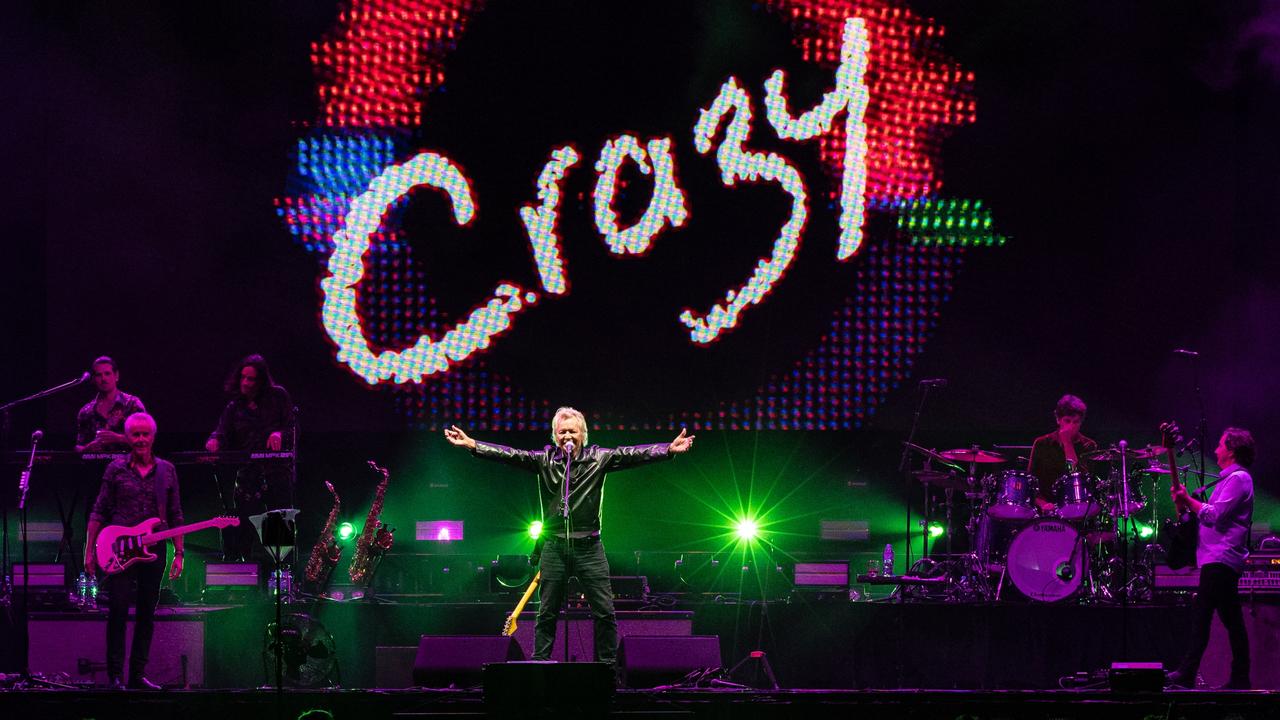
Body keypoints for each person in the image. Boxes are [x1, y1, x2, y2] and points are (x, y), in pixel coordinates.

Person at [444, 407, 694, 670]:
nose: (567, 436)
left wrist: (667, 449)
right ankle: (540, 665)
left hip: (590, 548)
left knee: (605, 612)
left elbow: (632, 454)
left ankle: (607, 668)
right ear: (555, 435)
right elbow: (511, 455)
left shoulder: (599, 458)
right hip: (554, 547)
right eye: (562, 432)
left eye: (572, 431)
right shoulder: (545, 460)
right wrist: (473, 445)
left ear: (582, 435)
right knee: (547, 612)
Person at [83, 413, 183, 690]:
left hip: (153, 549)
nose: (140, 439)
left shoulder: (167, 470)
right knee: (117, 609)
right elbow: (99, 509)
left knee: (146, 613)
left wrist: (179, 553)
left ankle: (137, 675)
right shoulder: (115, 469)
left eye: (145, 434)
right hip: (118, 547)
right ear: (128, 438)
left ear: (153, 436)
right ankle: (115, 675)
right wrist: (89, 550)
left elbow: (175, 514)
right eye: (135, 435)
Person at [1167, 427, 1255, 690]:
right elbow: (1206, 516)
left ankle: (1189, 671)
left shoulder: (1239, 479)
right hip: (1216, 559)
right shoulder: (1228, 480)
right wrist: (1185, 504)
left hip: (1222, 559)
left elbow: (1215, 515)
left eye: (1220, 445)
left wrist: (1188, 501)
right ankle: (1239, 677)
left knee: (1204, 616)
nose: (1216, 449)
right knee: (1229, 619)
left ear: (1231, 450)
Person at [205, 354, 295, 562]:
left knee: (277, 526)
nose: (245, 383)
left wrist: (279, 434)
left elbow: (292, 426)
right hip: (247, 477)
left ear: (261, 380)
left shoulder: (278, 397)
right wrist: (214, 442)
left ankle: (282, 580)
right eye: (243, 378)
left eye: (251, 379)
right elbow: (220, 432)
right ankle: (243, 578)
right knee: (243, 527)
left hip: (276, 474)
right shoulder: (235, 406)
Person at [1027, 394, 1098, 515]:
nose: (1071, 426)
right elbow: (1030, 481)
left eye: (1075, 422)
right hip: (1045, 510)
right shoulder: (1041, 443)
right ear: (1058, 420)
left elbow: (1078, 479)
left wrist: (1067, 443)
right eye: (1067, 421)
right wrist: (1042, 503)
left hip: (1077, 509)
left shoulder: (1088, 445)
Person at [75, 356, 146, 453]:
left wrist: (119, 438)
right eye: (99, 375)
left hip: (127, 466)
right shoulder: (86, 411)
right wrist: (87, 448)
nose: (103, 378)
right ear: (93, 379)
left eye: (107, 373)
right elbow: (78, 447)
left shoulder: (132, 404)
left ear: (116, 375)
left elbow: (147, 438)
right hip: (94, 465)